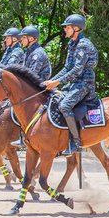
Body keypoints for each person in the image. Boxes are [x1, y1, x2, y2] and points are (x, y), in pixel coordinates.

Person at [42, 14, 98, 155]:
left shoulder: (83, 45)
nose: (65, 30)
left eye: (67, 27)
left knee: (65, 105)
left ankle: (76, 142)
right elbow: (67, 67)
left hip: (85, 82)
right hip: (74, 82)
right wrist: (51, 81)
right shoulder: (72, 44)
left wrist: (58, 82)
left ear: (76, 28)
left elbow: (77, 69)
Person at [11, 25, 52, 147]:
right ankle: (22, 136)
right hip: (31, 87)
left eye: (23, 37)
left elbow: (31, 75)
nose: (21, 40)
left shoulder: (37, 54)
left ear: (31, 39)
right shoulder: (29, 52)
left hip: (39, 88)